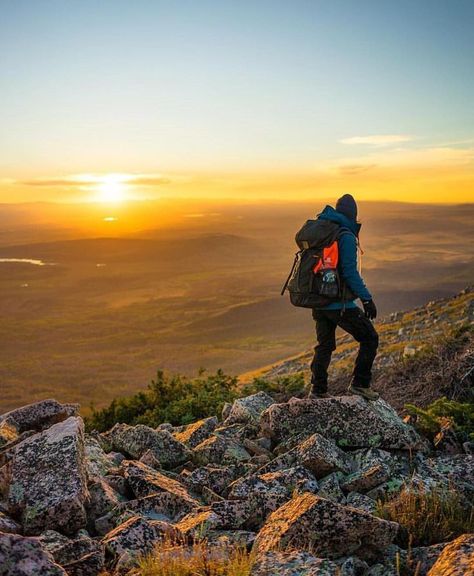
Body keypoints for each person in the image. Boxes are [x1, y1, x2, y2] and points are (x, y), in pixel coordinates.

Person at [309, 194, 379, 400]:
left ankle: (318, 390)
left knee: (325, 345)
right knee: (370, 337)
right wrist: (366, 299)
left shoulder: (324, 230)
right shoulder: (344, 235)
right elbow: (349, 271)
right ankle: (360, 384)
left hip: (319, 300)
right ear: (353, 214)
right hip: (339, 303)